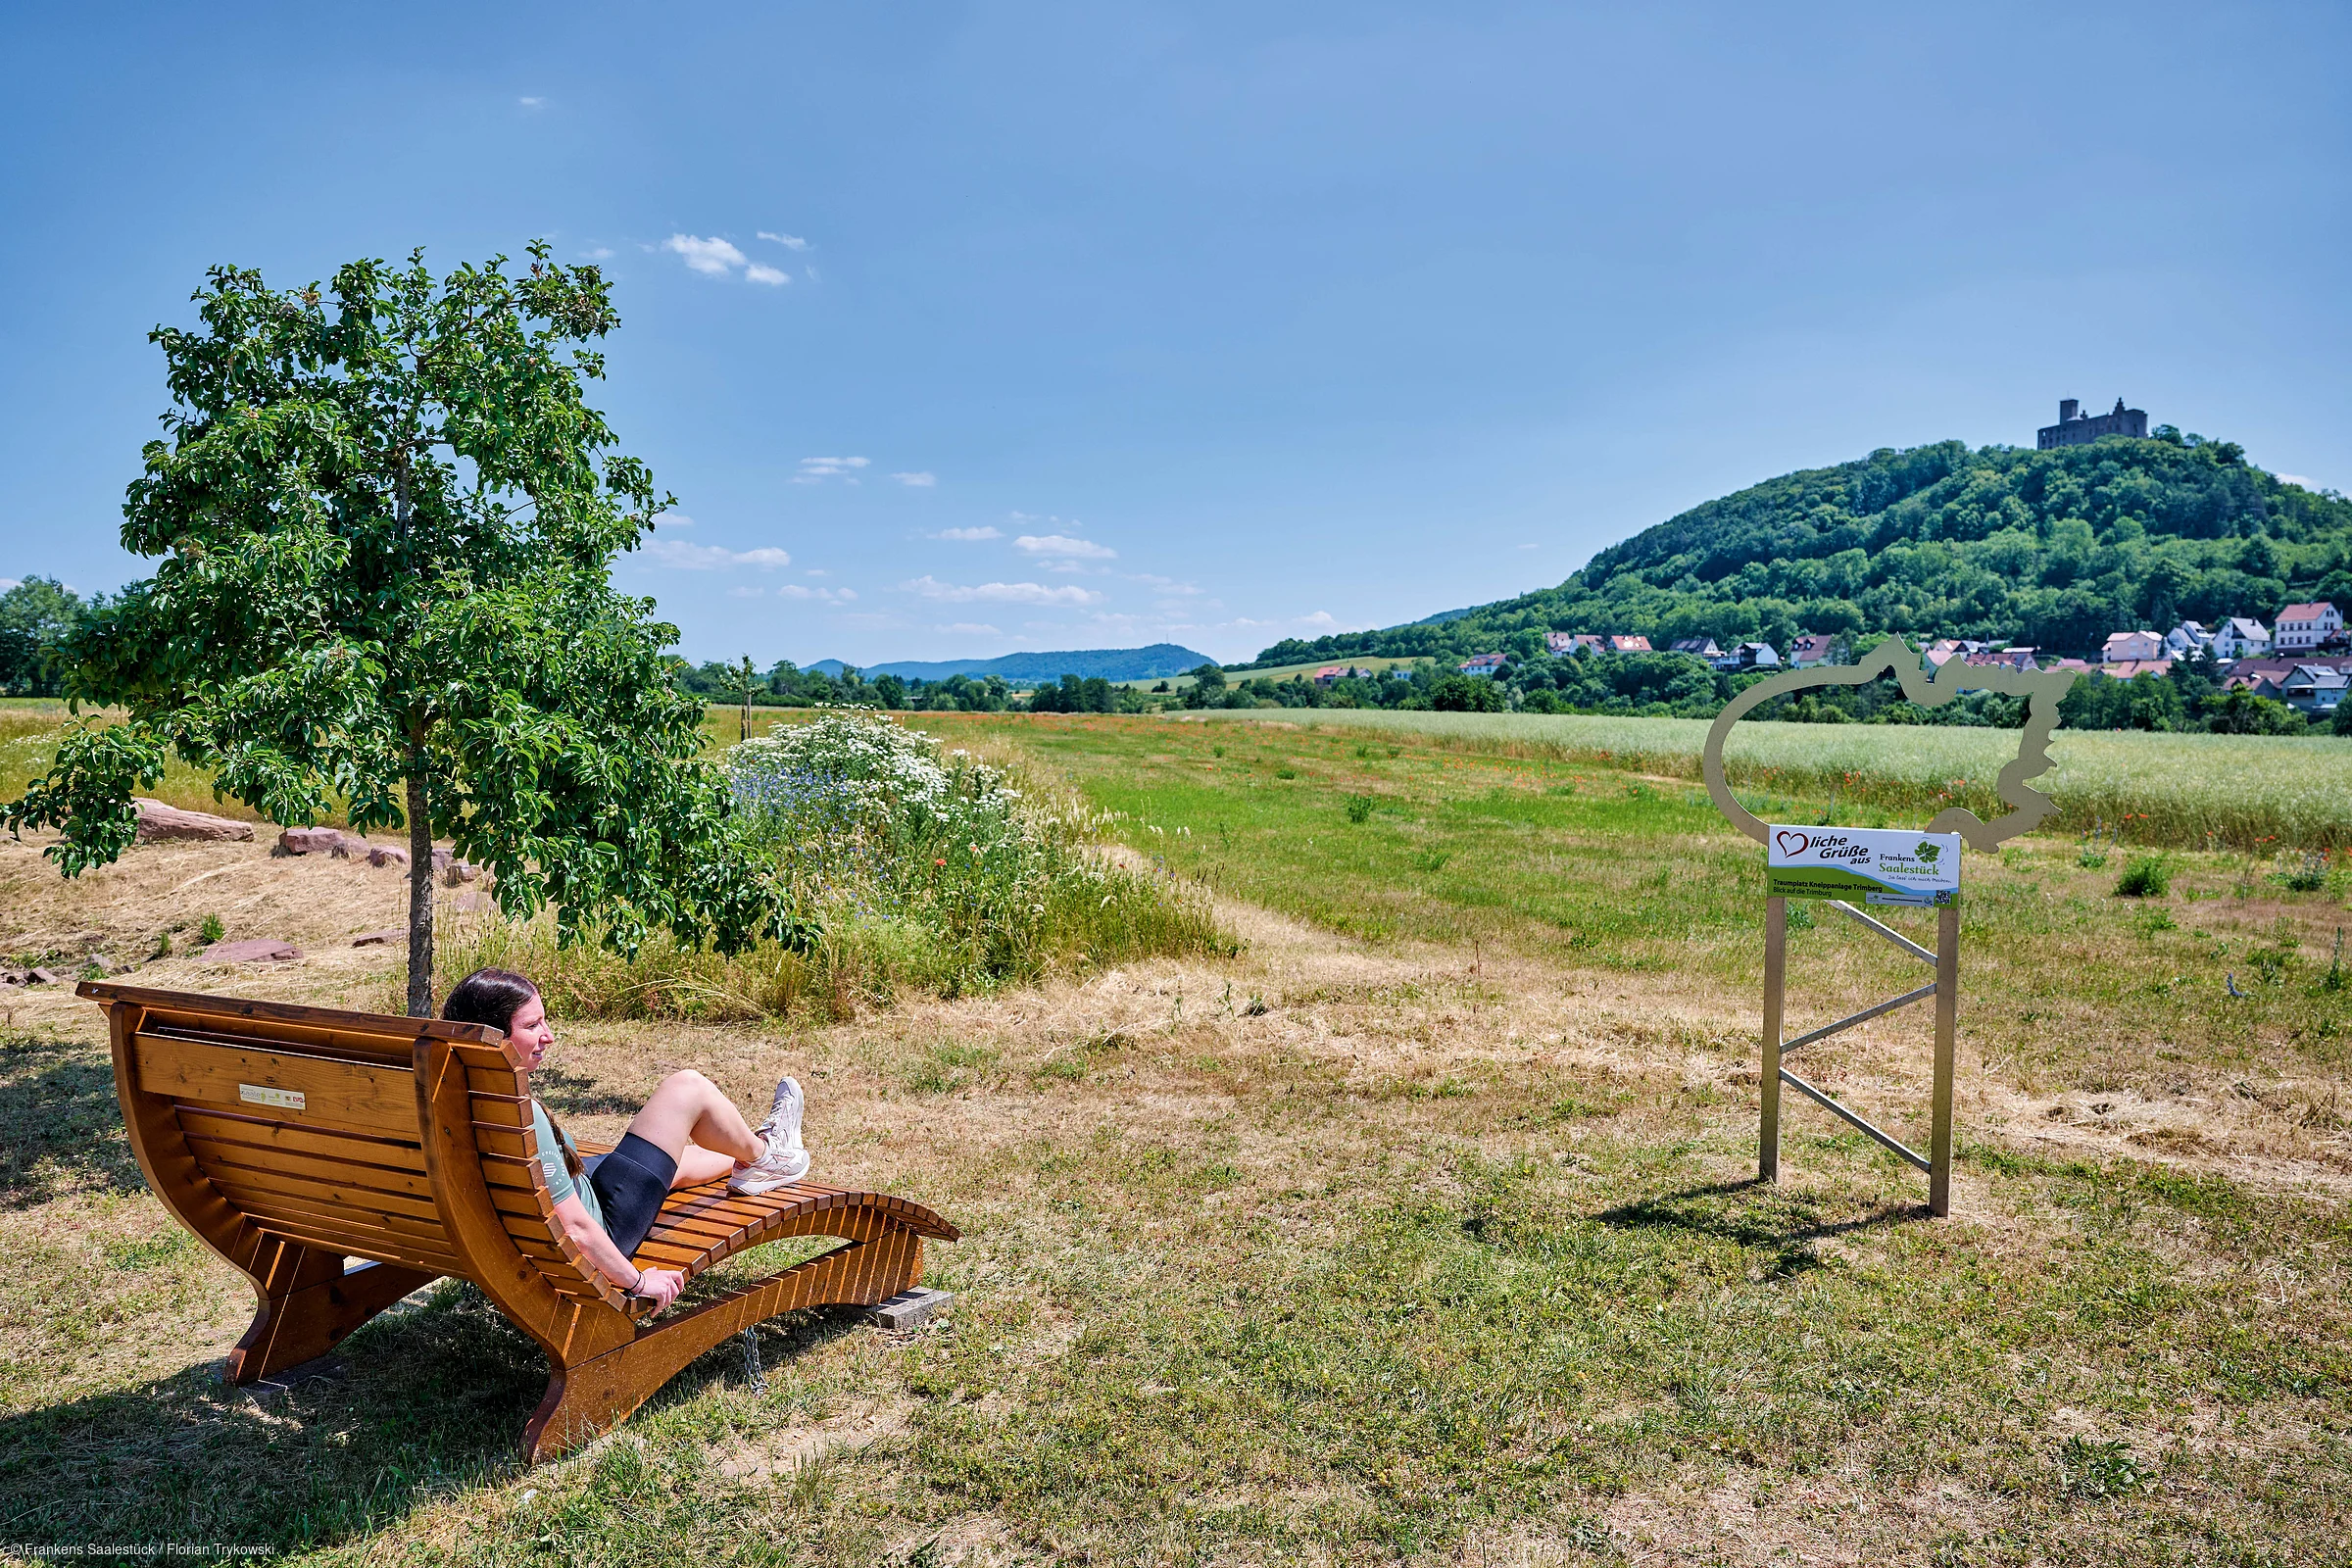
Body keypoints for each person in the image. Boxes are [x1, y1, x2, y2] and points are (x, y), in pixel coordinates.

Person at [441, 967, 809, 1312]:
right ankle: (768, 1154)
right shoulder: (517, 1113)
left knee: (667, 1161)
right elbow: (574, 1228)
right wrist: (637, 1282)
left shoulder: (442, 1095)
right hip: (597, 1233)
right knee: (688, 1088)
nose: (548, 1035)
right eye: (532, 1024)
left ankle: (754, 1160)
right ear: (491, 1035)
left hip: (509, 1233)